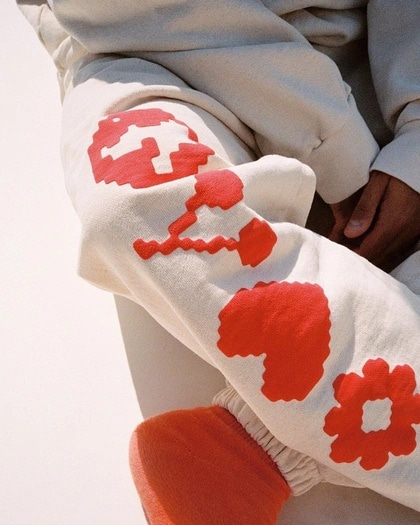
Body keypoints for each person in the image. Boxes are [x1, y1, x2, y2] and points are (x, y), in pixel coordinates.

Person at [17, 1, 420, 523]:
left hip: (371, 55)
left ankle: (255, 447)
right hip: (140, 55)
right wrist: (343, 157)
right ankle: (306, 427)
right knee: (132, 207)